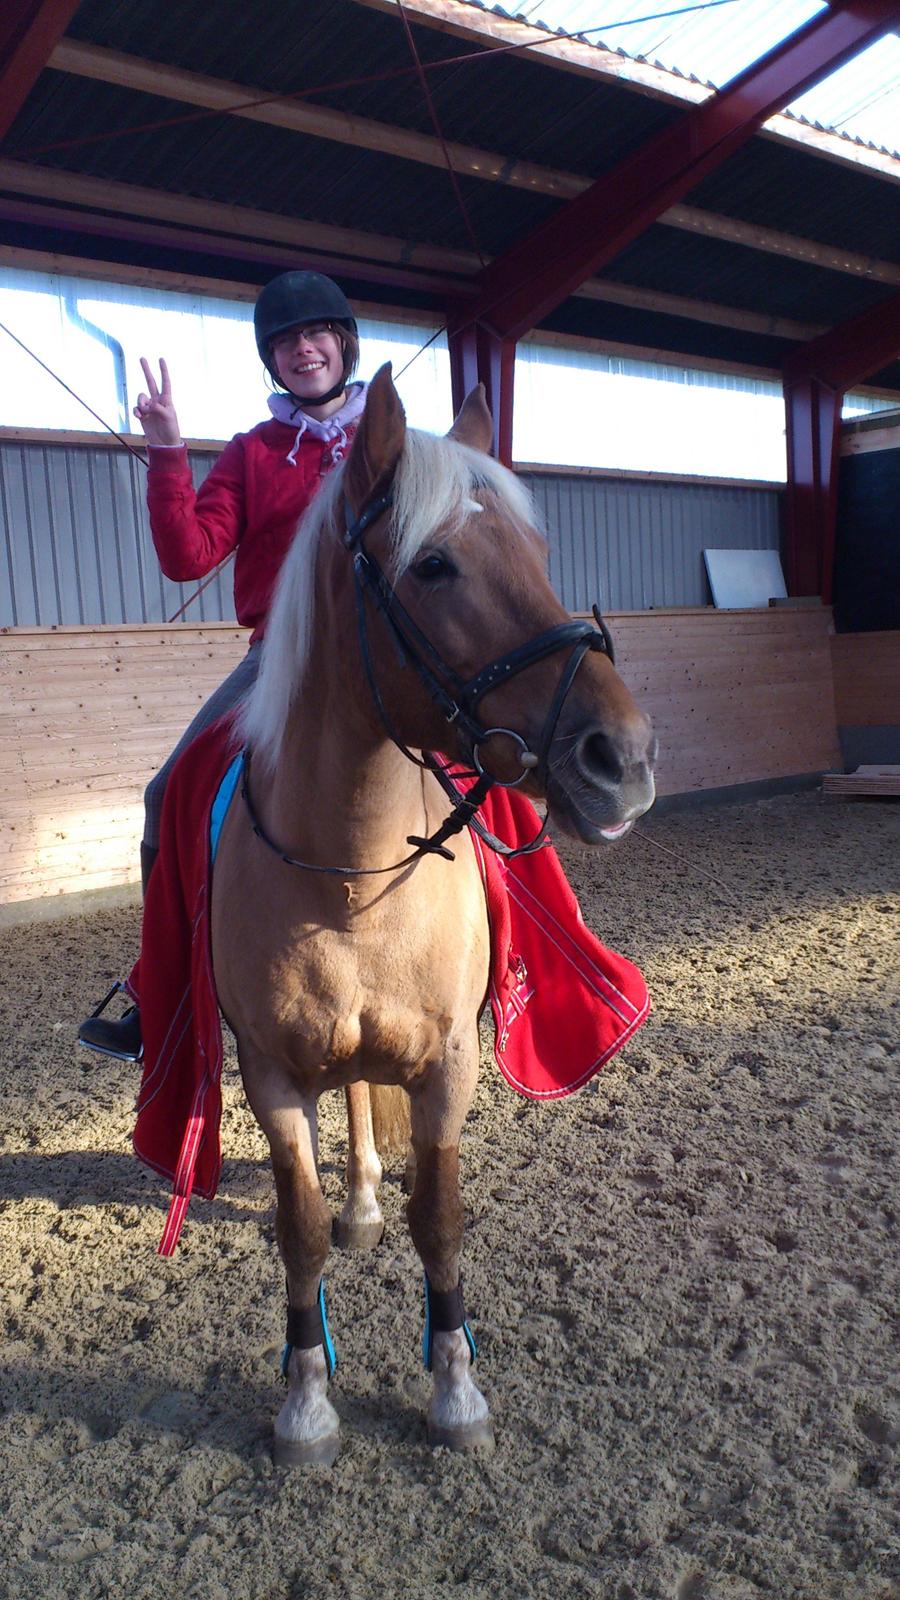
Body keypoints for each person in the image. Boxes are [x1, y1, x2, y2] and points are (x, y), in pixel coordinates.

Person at [78, 271, 367, 1060]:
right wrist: (168, 447)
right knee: (167, 792)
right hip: (283, 655)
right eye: (285, 341)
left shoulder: (393, 438)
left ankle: (528, 957)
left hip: (386, 649)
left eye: (314, 335)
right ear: (274, 362)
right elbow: (187, 556)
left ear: (342, 342)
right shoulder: (253, 454)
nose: (302, 349)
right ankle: (159, 991)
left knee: (487, 763)